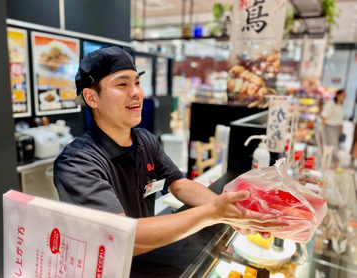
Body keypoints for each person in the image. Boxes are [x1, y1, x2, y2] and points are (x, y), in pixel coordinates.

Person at [54, 46, 285, 256]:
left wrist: (230, 211)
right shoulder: (76, 162)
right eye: (122, 84)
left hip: (148, 258)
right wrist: (212, 213)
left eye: (137, 82)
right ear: (91, 97)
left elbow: (178, 184)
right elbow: (122, 236)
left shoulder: (144, 139)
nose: (136, 92)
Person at [321, 89, 346, 168]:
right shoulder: (331, 104)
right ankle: (336, 164)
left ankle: (330, 164)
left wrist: (341, 129)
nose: (344, 98)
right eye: (343, 95)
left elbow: (340, 118)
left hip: (337, 128)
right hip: (329, 127)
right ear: (337, 95)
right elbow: (324, 116)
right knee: (333, 145)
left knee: (334, 146)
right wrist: (321, 129)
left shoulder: (340, 105)